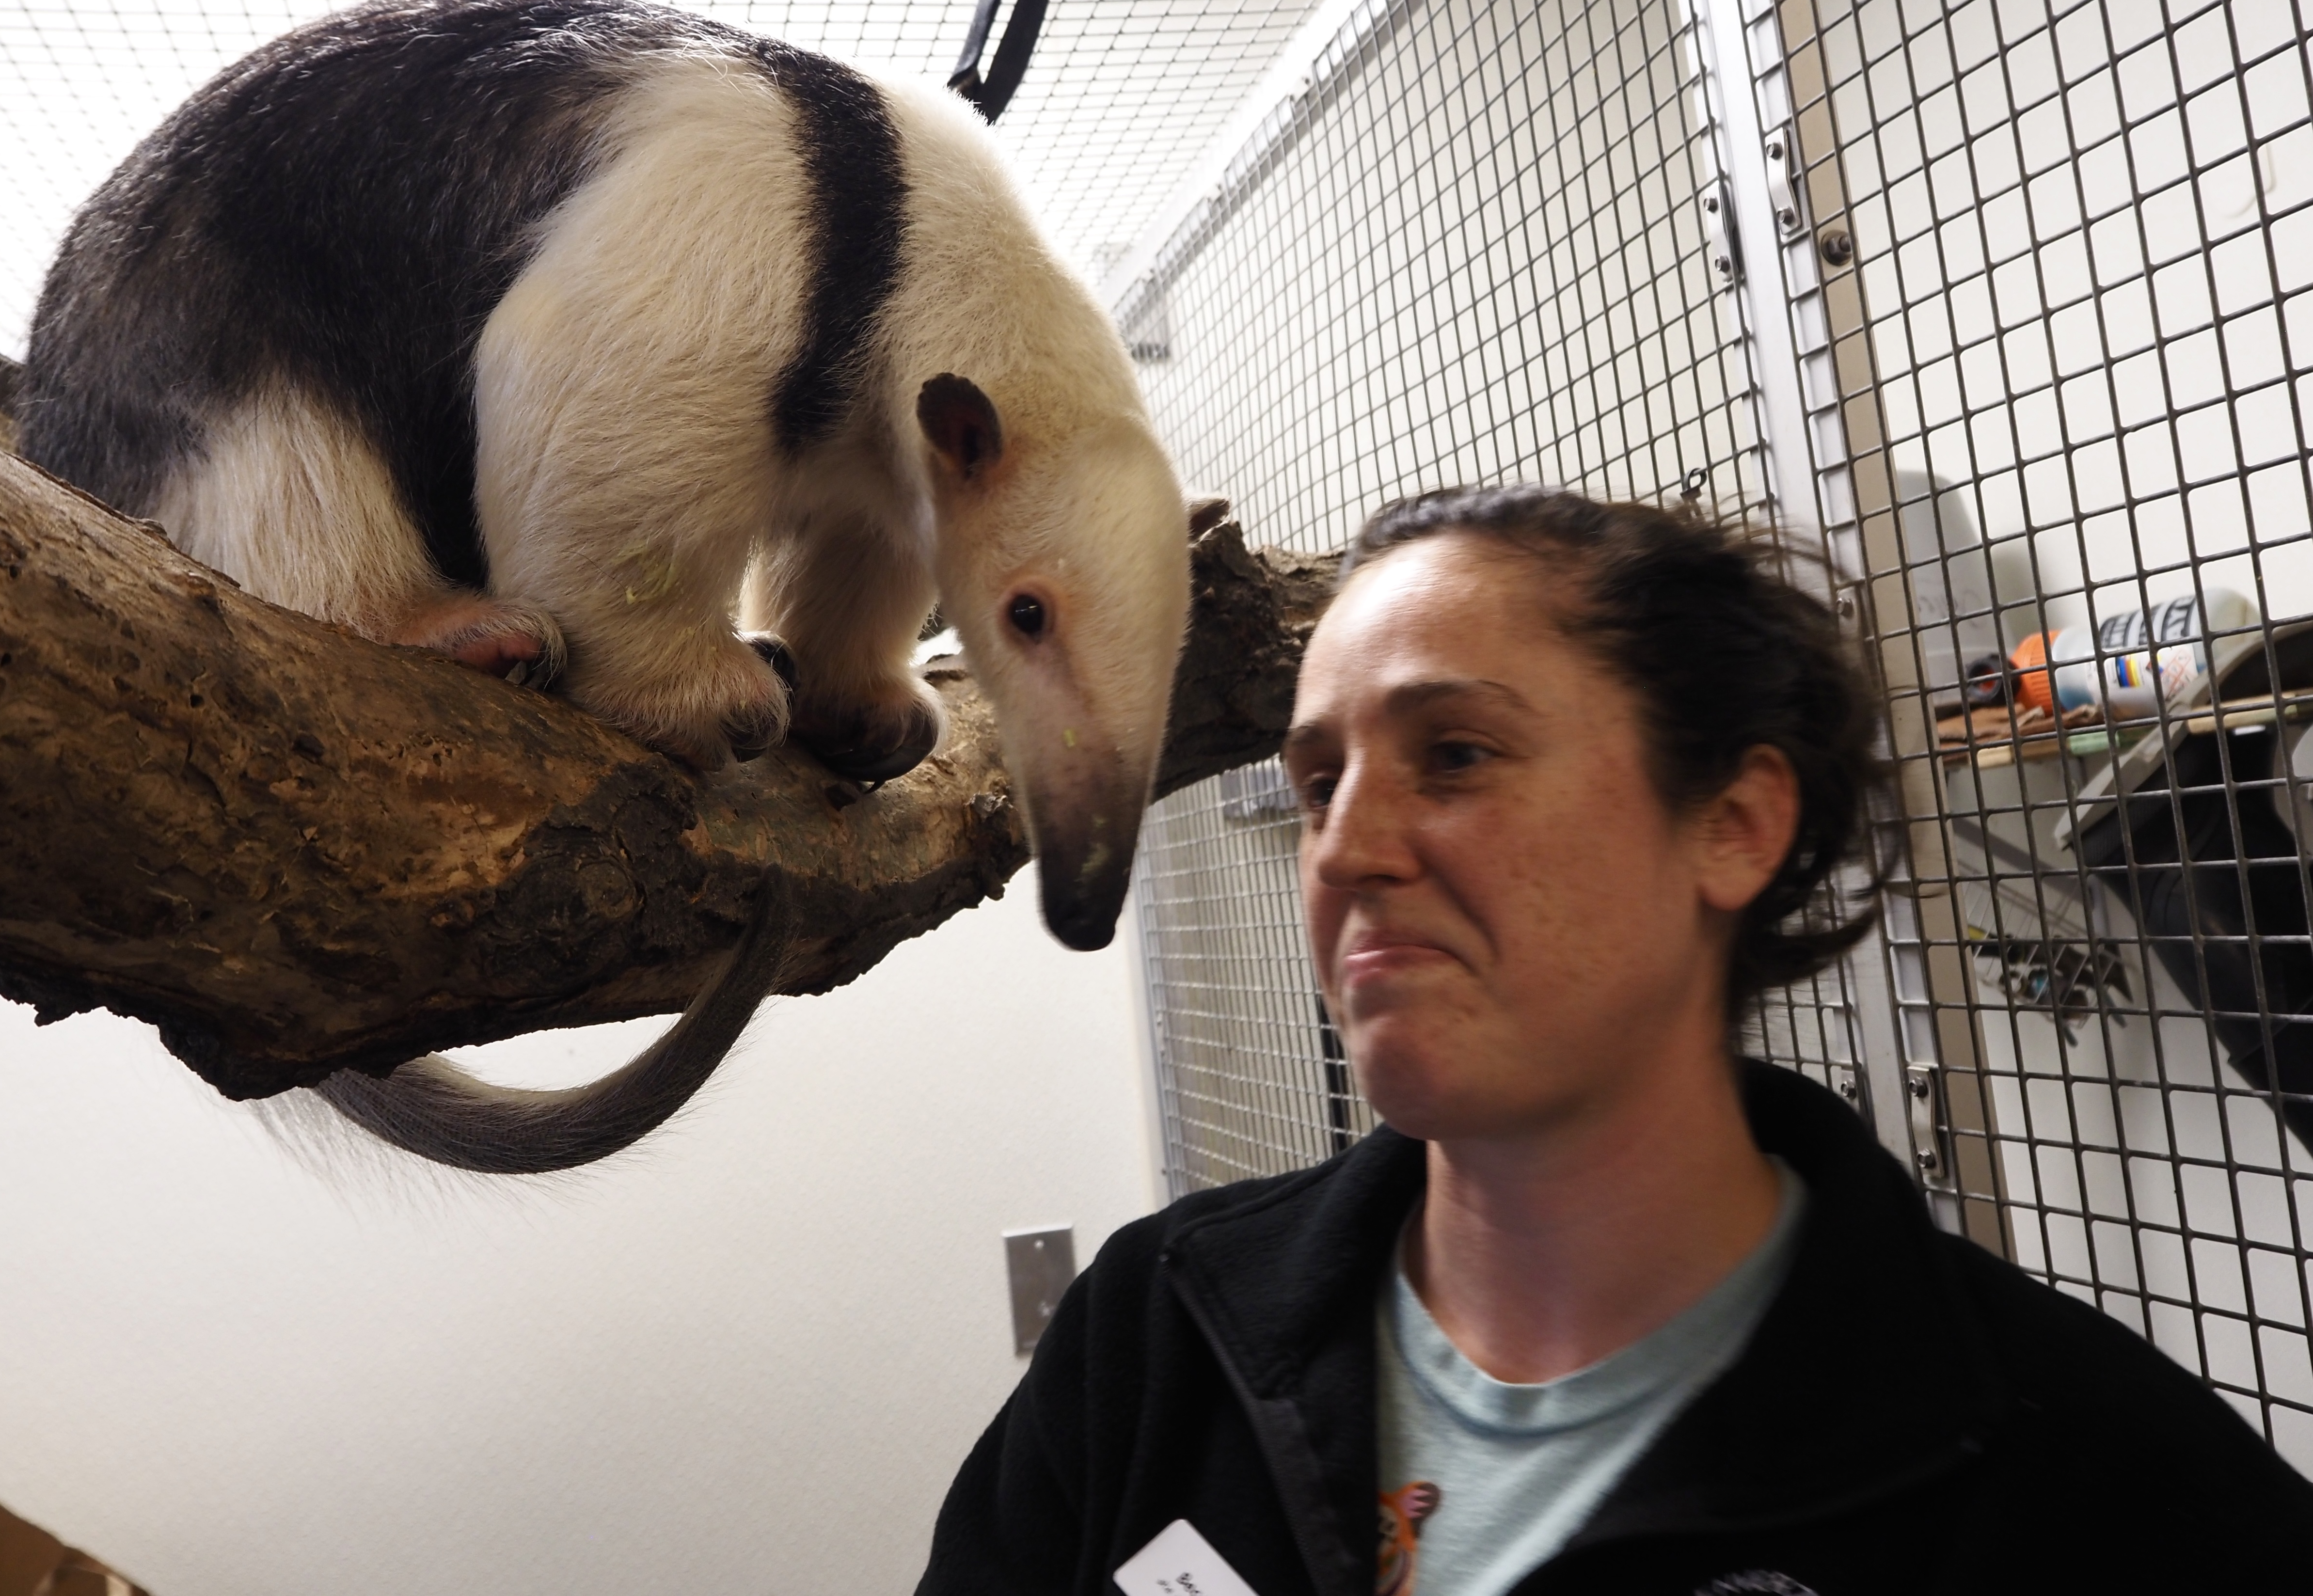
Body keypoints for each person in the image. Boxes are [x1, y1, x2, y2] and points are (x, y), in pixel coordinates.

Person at [918, 485, 2313, 1596]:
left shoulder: (2084, 1483)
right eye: (1320, 781)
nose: (1344, 850)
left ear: (1734, 824)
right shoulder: (1155, 1335)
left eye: (1456, 755)